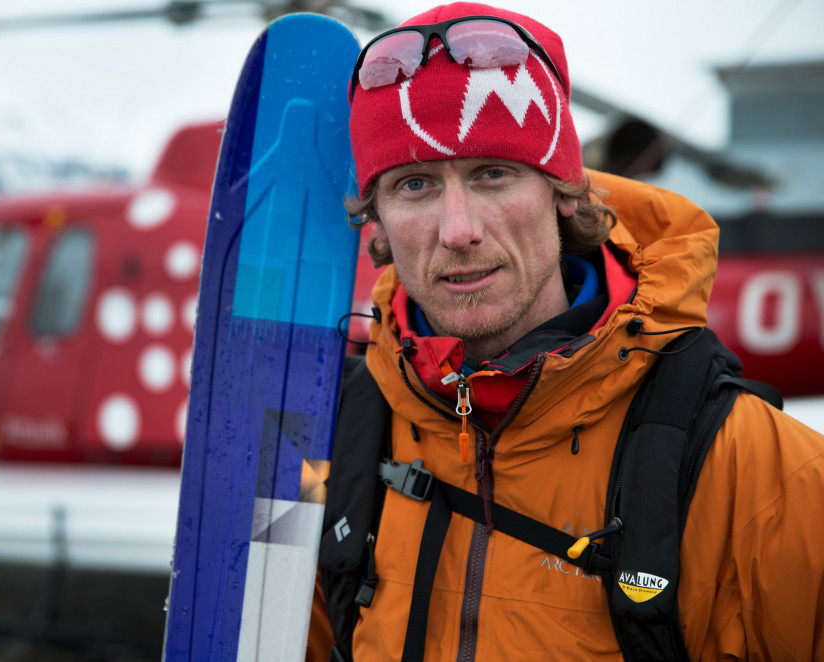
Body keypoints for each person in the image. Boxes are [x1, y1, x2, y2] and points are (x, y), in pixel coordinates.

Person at [306, 3, 824, 660]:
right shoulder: (335, 447)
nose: (457, 229)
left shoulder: (767, 477)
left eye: (492, 174)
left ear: (566, 193)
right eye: (414, 185)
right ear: (375, 220)